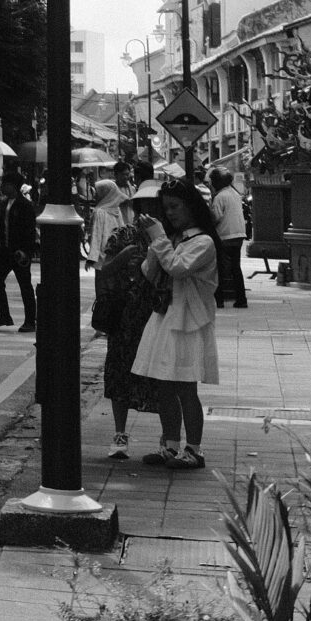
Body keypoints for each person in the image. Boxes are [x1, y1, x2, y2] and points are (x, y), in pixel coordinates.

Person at [130, 180, 221, 469]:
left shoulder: (203, 242)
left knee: (185, 387)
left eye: (175, 206)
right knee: (164, 385)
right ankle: (170, 444)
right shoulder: (175, 238)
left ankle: (193, 449)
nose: (170, 213)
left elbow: (178, 269)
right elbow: (151, 272)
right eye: (166, 208)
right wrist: (157, 242)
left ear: (191, 206)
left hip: (189, 320)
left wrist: (159, 238)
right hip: (166, 313)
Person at [92, 191, 166, 460]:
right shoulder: (122, 235)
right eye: (143, 208)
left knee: (161, 377)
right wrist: (121, 259)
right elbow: (104, 270)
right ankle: (120, 434)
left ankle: (167, 436)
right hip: (124, 315)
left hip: (156, 314)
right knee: (119, 373)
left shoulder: (166, 238)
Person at [0, 178, 38, 331]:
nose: (2, 187)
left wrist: (26, 251)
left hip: (19, 252)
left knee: (25, 286)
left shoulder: (24, 205)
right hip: (5, 250)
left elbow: (30, 230)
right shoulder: (4, 203)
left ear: (13, 186)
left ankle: (30, 321)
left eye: (6, 184)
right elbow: (2, 225)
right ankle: (4, 315)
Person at [210, 167, 250, 308]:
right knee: (235, 269)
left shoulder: (220, 197)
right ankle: (241, 299)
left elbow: (216, 217)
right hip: (238, 235)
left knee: (219, 269)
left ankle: (219, 300)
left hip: (225, 236)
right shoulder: (234, 194)